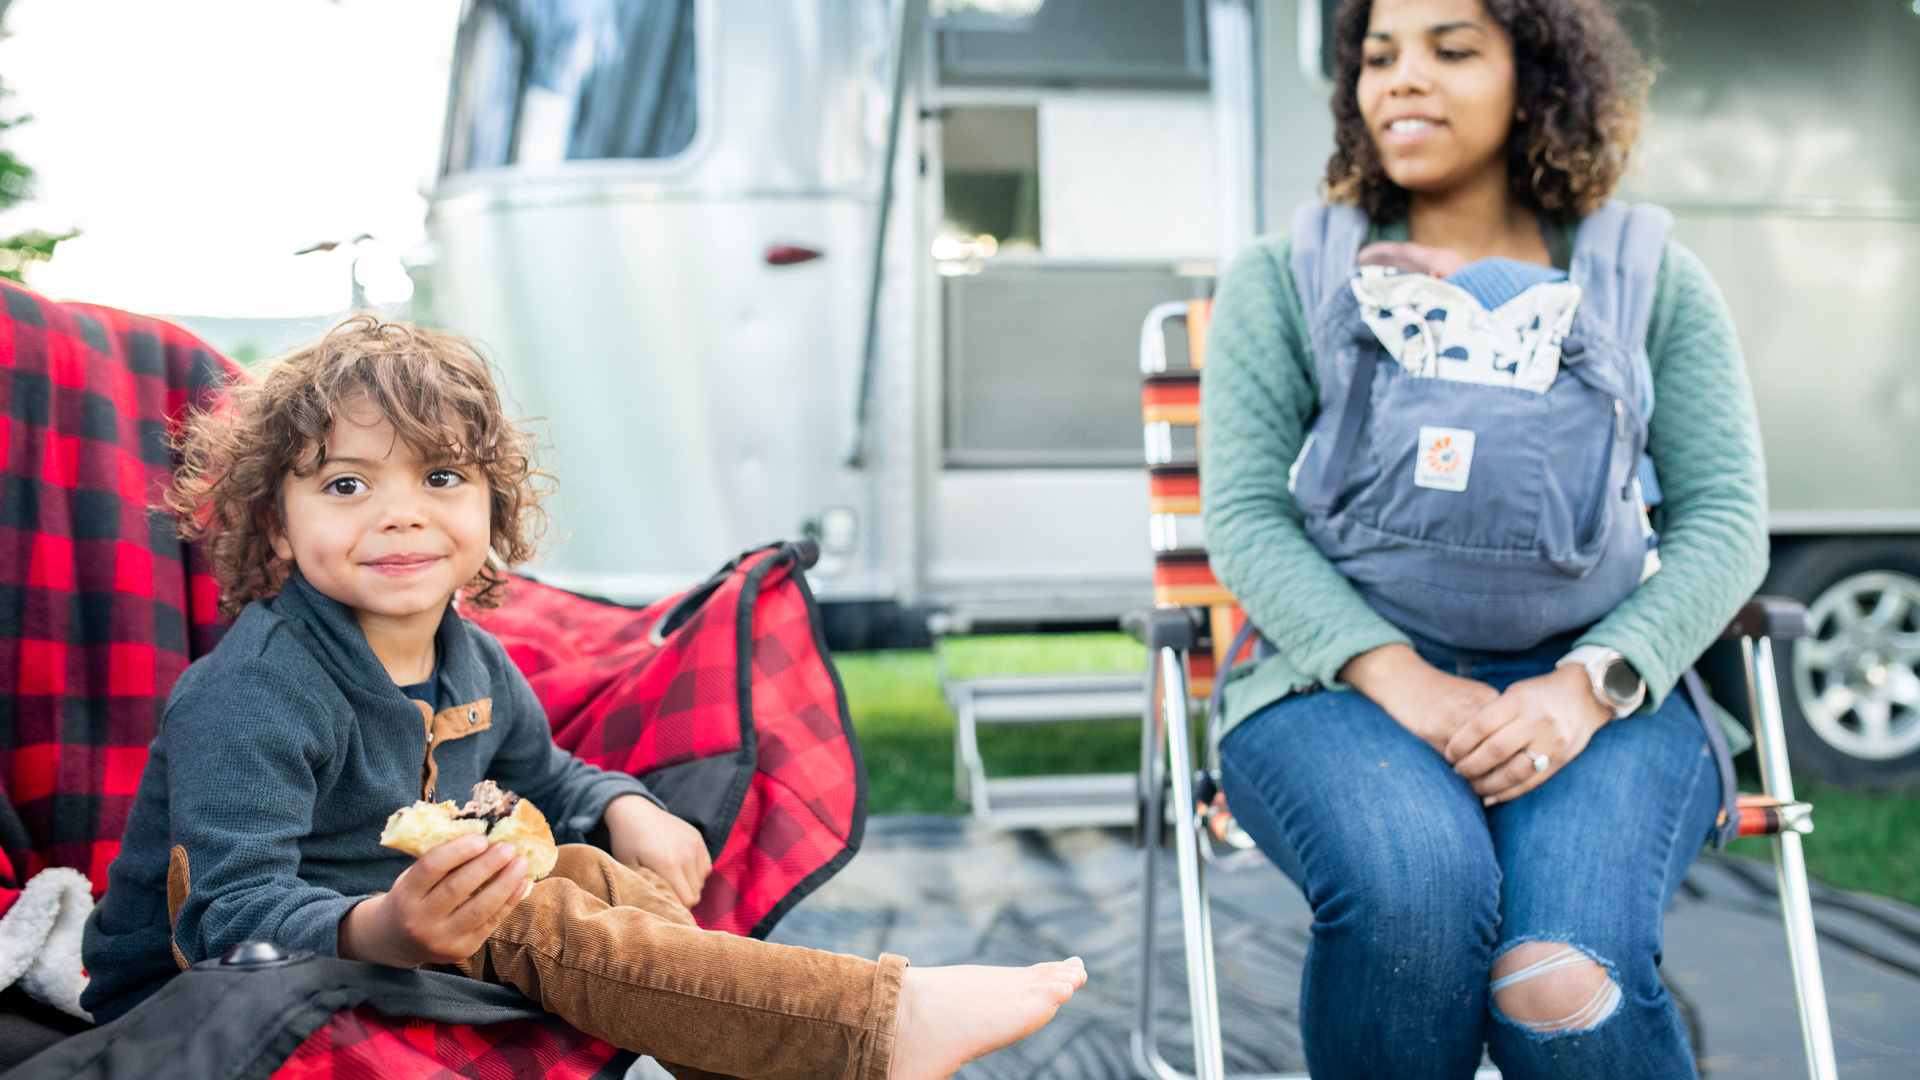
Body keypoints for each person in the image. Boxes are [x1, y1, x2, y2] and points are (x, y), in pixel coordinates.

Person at [79, 316, 1085, 1080]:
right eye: (346, 486)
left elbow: (548, 775)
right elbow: (225, 916)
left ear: (493, 508)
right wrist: (387, 929)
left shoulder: (472, 660)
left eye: (440, 476)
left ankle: (771, 1056)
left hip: (402, 931)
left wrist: (623, 805)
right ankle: (875, 1026)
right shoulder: (254, 692)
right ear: (276, 526)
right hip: (208, 994)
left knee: (596, 873)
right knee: (528, 910)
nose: (400, 515)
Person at [1199, 0, 1766, 1077]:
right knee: (1415, 895)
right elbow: (1244, 515)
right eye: (1380, 56)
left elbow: (1728, 519)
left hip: (1603, 694)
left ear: (1536, 78)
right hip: (1335, 692)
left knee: (1558, 972)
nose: (1403, 79)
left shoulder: (1648, 280)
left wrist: (1589, 685)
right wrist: (1402, 678)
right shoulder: (1288, 276)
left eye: (1450, 50)